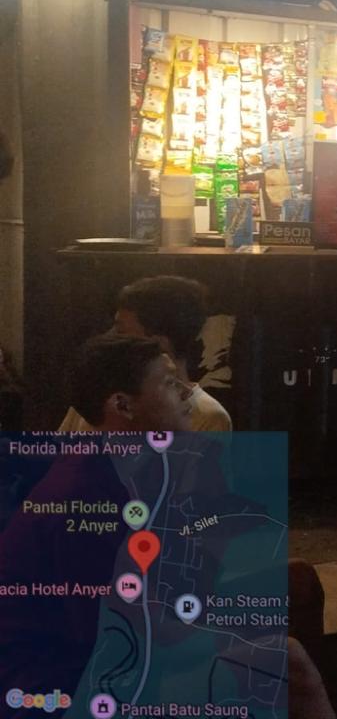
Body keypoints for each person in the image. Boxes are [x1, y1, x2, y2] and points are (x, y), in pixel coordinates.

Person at [0, 335, 191, 696]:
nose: (186, 392)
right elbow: (117, 641)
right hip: (52, 686)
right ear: (123, 405)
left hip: (93, 659)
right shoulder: (83, 497)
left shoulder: (117, 472)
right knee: (289, 664)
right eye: (169, 383)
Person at [57, 275, 231, 432]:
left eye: (121, 331)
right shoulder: (99, 394)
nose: (109, 337)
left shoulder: (206, 417)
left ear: (158, 345)